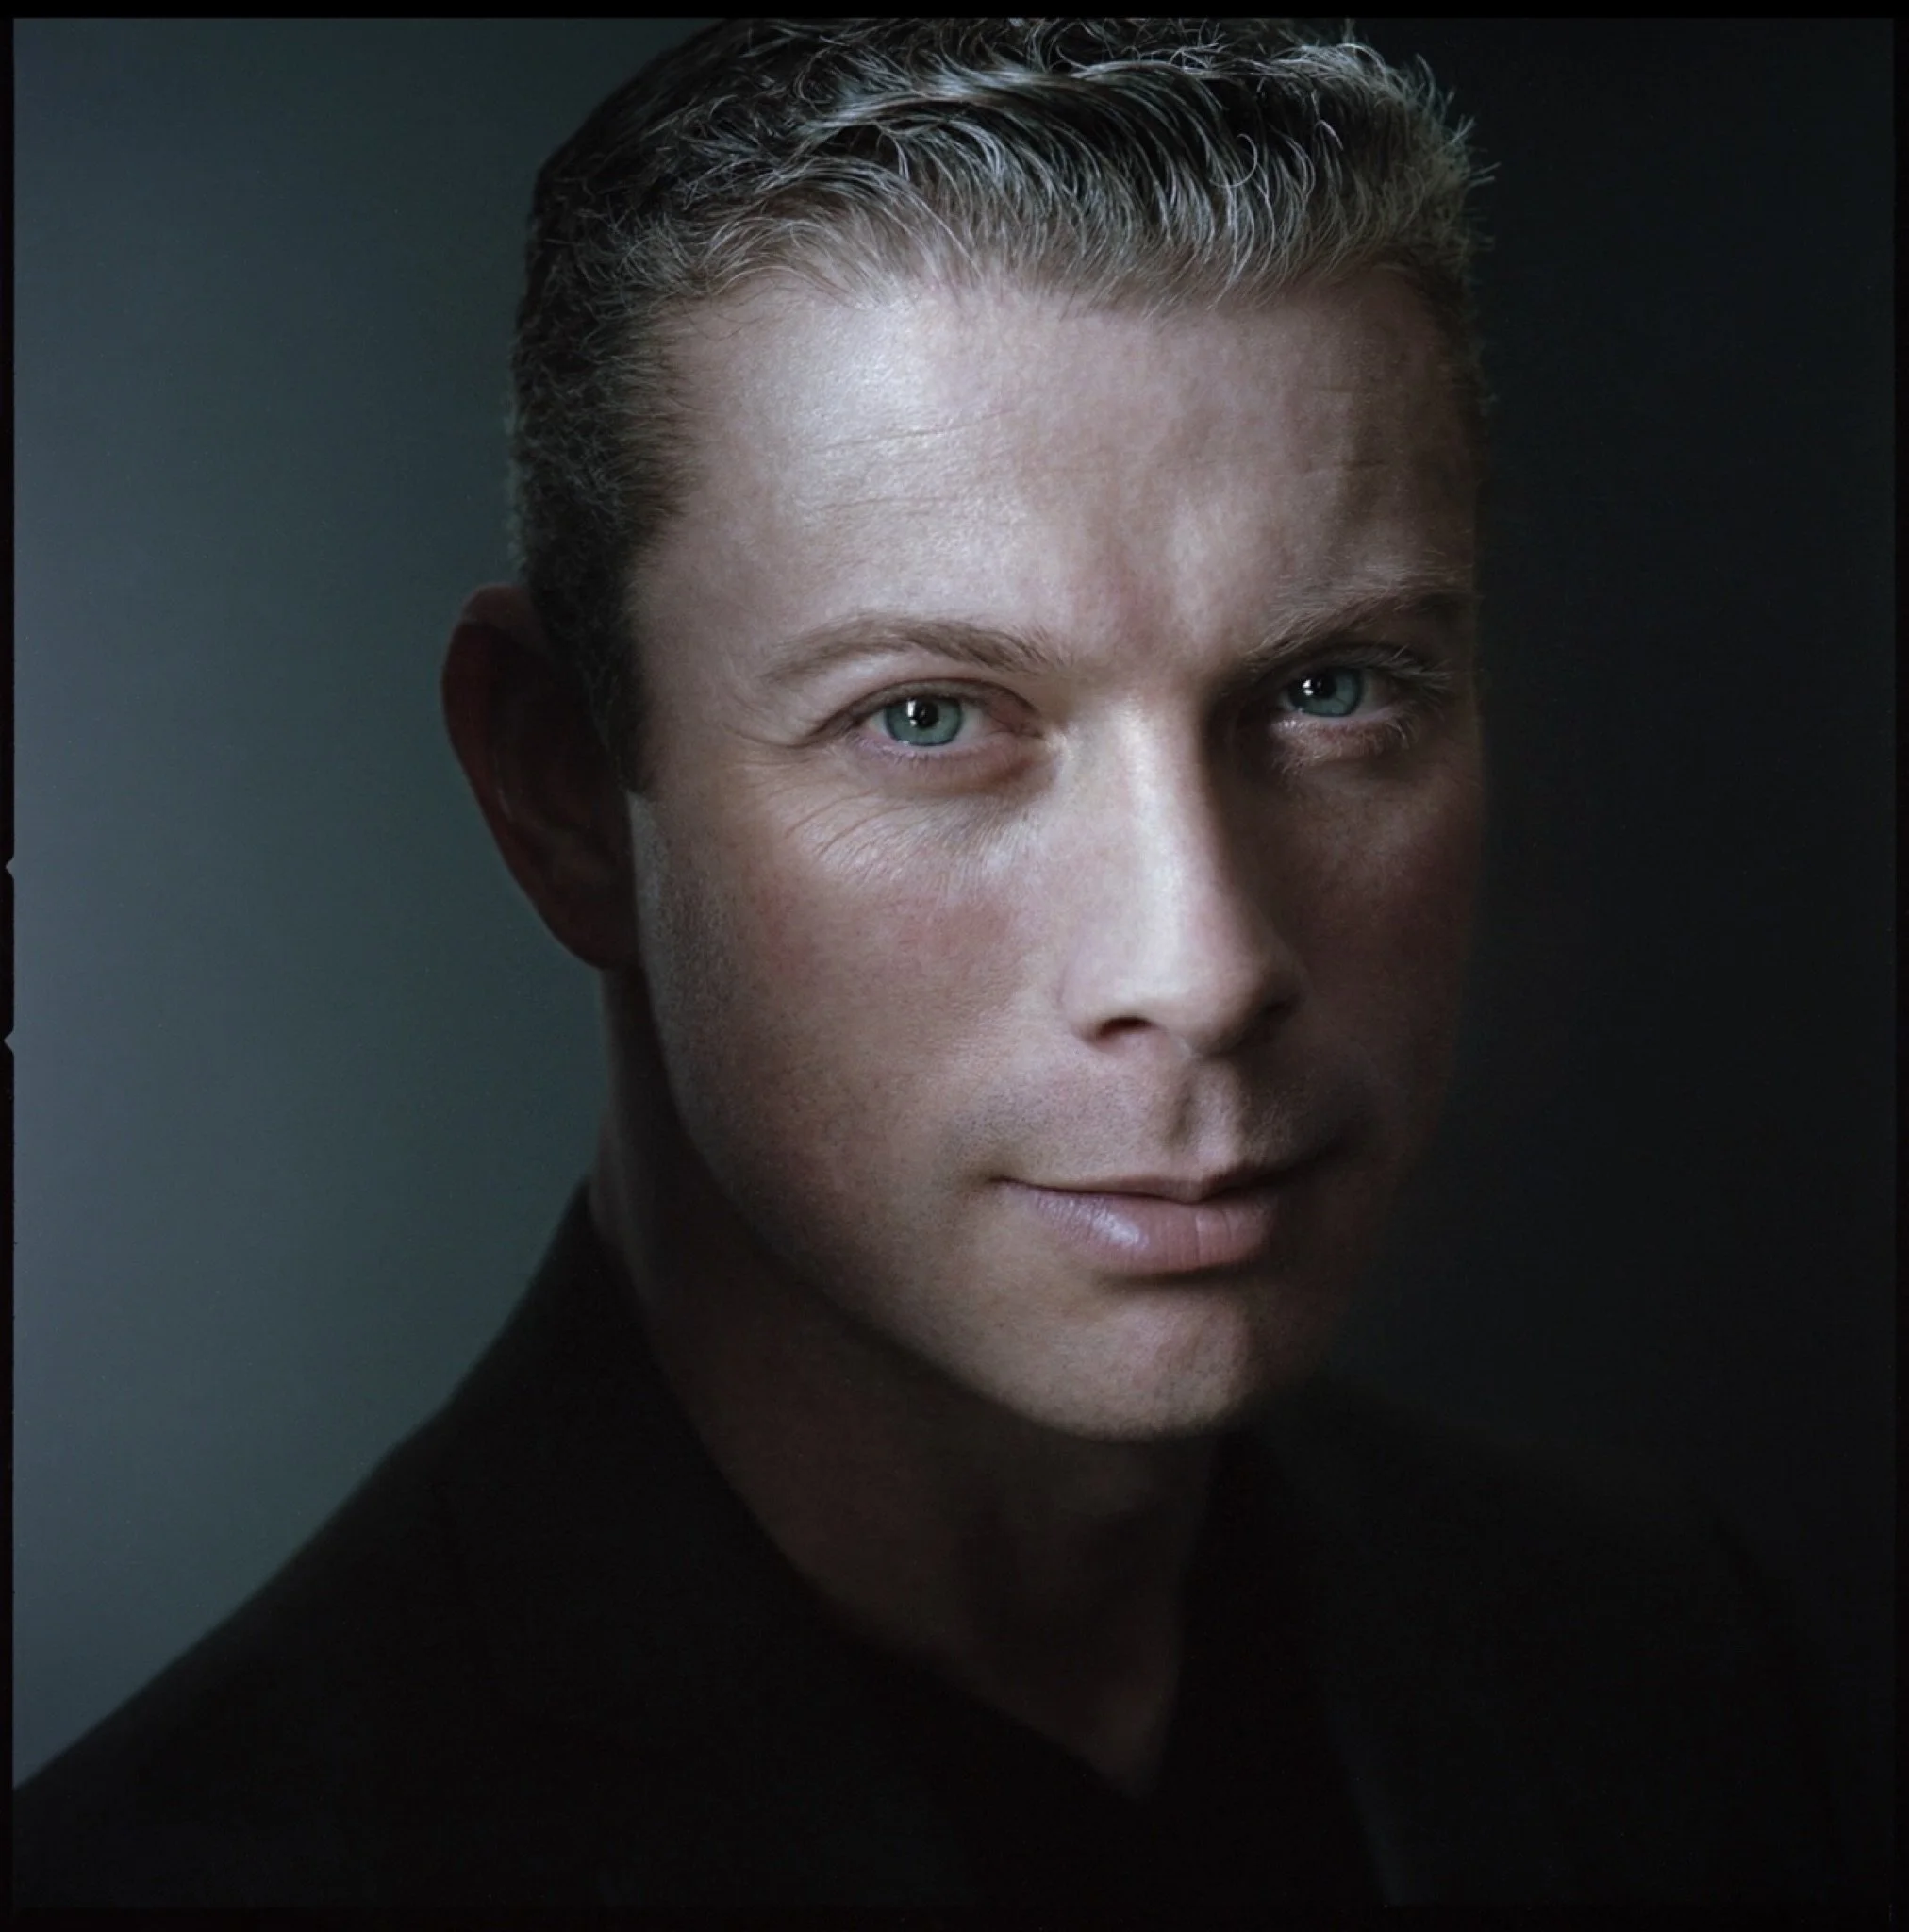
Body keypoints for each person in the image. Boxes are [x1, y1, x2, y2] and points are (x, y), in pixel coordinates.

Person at [12, 19, 1842, 1907]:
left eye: (1327, 688)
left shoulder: (1654, 1651)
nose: (1202, 962)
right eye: (929, 718)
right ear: (563, 791)